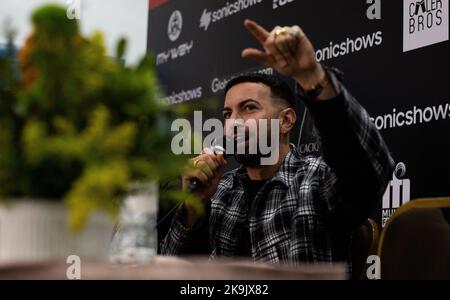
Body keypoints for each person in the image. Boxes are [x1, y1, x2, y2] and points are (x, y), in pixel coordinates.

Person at [160, 19, 394, 265]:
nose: (234, 123)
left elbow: (370, 168)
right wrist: (193, 207)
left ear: (286, 121)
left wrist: (311, 76)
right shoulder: (221, 192)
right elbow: (173, 270)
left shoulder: (315, 180)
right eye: (228, 114)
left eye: (249, 108)